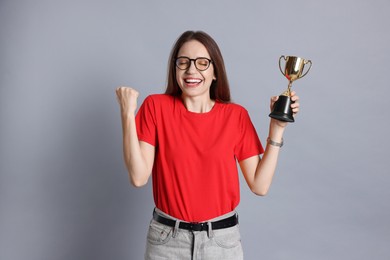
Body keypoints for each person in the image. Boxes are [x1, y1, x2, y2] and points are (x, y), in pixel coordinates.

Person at [116, 30, 299, 260]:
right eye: (183, 62)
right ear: (175, 69)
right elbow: (138, 177)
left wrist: (277, 129)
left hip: (221, 244)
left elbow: (260, 185)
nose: (192, 70)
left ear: (215, 72)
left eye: (202, 63)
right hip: (167, 243)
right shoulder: (156, 107)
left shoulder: (235, 116)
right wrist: (126, 114)